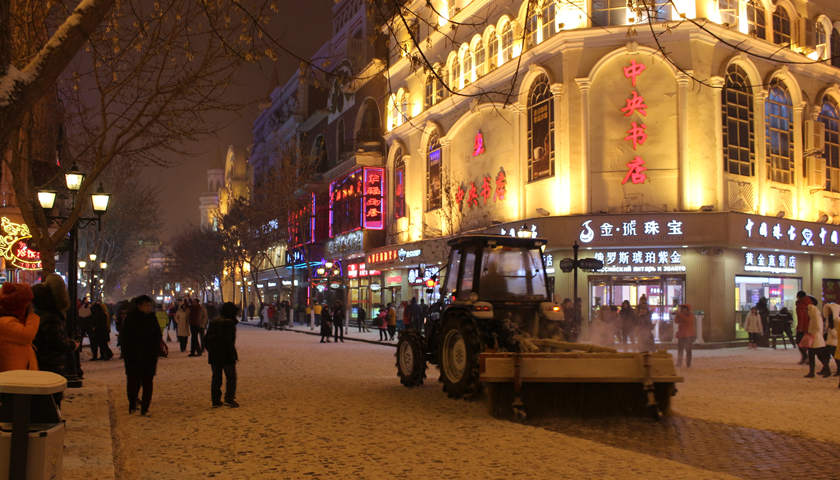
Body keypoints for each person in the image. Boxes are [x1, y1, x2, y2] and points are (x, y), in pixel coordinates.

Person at [32, 280, 78, 407]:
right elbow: (57, 342)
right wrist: (72, 345)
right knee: (52, 397)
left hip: (42, 361)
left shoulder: (36, 315)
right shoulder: (51, 318)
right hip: (52, 362)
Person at [121, 295, 162, 415]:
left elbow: (157, 335)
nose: (149, 307)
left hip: (149, 356)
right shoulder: (131, 319)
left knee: (148, 382)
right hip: (133, 356)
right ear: (139, 306)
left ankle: (145, 407)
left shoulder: (152, 318)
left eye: (150, 305)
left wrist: (155, 350)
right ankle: (132, 403)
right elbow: (125, 339)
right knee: (134, 381)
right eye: (147, 305)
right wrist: (127, 353)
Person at [205, 302, 239, 407]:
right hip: (227, 354)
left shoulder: (214, 322)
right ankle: (229, 398)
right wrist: (233, 354)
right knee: (231, 377)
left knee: (216, 377)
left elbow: (206, 339)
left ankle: (216, 400)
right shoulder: (229, 324)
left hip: (214, 354)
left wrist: (211, 350)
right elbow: (229, 341)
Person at [0, 283, 39, 372]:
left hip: (19, 375)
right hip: (13, 377)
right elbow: (27, 335)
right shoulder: (5, 323)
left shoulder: (14, 321)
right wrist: (32, 316)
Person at [804, 297, 829, 378]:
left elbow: (818, 327)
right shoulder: (815, 313)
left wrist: (813, 332)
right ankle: (818, 371)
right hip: (815, 337)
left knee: (817, 355)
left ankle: (825, 370)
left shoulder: (814, 313)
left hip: (815, 338)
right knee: (815, 355)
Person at [823, 301, 839, 376]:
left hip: (834, 342)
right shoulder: (828, 319)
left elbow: (837, 333)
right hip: (829, 341)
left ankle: (836, 370)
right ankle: (826, 370)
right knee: (826, 356)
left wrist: (831, 330)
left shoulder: (837, 320)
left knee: (836, 358)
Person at [795, 291, 811, 364]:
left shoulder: (801, 305)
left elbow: (801, 317)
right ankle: (807, 358)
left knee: (799, 342)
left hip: (803, 327)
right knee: (808, 344)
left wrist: (800, 327)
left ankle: (805, 357)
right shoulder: (809, 304)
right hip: (809, 327)